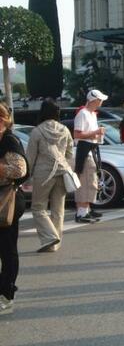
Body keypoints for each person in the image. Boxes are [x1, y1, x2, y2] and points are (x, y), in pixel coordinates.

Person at [26, 100, 74, 252]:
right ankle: (54, 245)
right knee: (58, 209)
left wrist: (26, 176)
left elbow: (30, 157)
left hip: (43, 174)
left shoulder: (37, 131)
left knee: (38, 207)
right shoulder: (65, 130)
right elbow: (70, 153)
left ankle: (50, 236)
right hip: (63, 171)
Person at [0, 103, 28, 316]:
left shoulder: (9, 140)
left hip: (7, 200)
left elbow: (20, 170)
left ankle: (7, 294)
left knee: (7, 248)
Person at [73, 90, 108, 223]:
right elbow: (77, 134)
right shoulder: (82, 114)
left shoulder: (92, 114)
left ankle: (86, 210)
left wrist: (97, 135)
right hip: (85, 150)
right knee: (86, 181)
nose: (101, 102)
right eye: (100, 100)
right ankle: (81, 212)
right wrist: (95, 132)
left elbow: (86, 134)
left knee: (91, 181)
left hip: (91, 149)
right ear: (94, 100)